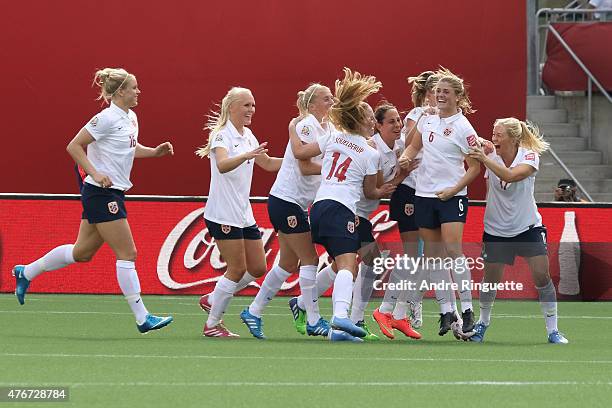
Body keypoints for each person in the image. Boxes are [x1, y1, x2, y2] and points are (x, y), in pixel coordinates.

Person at [13, 67, 174, 334]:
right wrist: (96, 173)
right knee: (128, 253)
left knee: (82, 253)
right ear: (120, 91)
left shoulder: (130, 117)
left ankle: (26, 272)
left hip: (111, 191)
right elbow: (74, 146)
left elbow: (130, 149)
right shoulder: (106, 118)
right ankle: (142, 317)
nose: (138, 92)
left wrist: (154, 152)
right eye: (134, 87)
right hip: (101, 193)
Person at [289, 68, 395, 341]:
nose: (373, 122)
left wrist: (295, 127)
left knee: (345, 264)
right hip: (342, 209)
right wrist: (385, 186)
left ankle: (326, 319)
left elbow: (302, 152)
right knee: (349, 265)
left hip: (320, 206)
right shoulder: (371, 152)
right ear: (359, 120)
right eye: (370, 118)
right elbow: (370, 192)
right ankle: (341, 318)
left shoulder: (333, 137)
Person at [238, 83, 335, 339]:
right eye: (326, 99)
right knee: (311, 260)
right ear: (312, 104)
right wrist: (334, 170)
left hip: (296, 203)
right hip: (286, 201)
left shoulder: (328, 127)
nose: (332, 102)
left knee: (288, 263)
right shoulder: (305, 125)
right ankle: (313, 319)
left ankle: (254, 311)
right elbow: (304, 167)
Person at [467, 118, 569, 344]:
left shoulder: (529, 156)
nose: (494, 138)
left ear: (513, 138)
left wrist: (485, 158)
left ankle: (553, 330)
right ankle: (483, 323)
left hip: (527, 227)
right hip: (495, 229)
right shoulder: (490, 153)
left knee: (542, 275)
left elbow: (510, 176)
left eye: (499, 135)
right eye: (493, 134)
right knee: (490, 280)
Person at [399, 67, 482, 337]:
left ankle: (468, 310)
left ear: (459, 96)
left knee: (453, 250)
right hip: (423, 194)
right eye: (438, 91)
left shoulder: (463, 127)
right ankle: (447, 310)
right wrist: (406, 157)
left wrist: (453, 190)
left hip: (450, 197)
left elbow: (474, 168)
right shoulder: (427, 119)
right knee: (433, 258)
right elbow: (414, 146)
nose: (441, 95)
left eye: (446, 92)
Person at [195, 87, 282, 338]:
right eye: (246, 105)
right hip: (222, 213)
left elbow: (265, 163)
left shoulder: (249, 136)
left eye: (253, 105)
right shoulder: (221, 136)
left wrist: (294, 161)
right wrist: (247, 155)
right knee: (236, 268)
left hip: (243, 213)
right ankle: (212, 324)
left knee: (257, 267)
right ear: (231, 107)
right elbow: (222, 165)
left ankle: (213, 297)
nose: (251, 110)